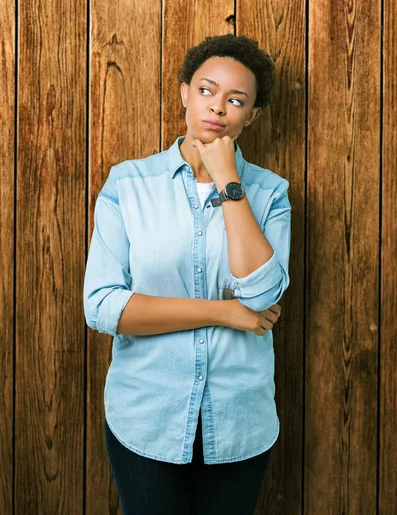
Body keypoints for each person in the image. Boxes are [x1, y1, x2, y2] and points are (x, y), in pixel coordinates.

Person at [83, 34, 291, 514]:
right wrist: (223, 313)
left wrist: (228, 183)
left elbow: (260, 297)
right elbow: (103, 306)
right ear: (183, 92)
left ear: (251, 115)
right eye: (206, 90)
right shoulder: (128, 184)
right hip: (147, 417)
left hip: (240, 420)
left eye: (235, 100)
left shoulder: (271, 194)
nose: (217, 107)